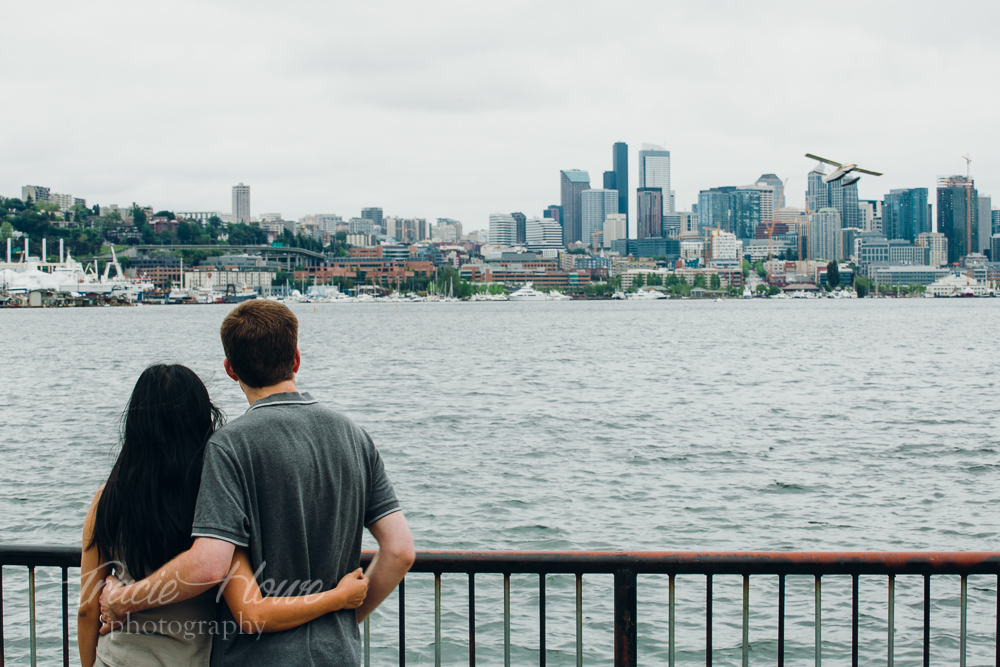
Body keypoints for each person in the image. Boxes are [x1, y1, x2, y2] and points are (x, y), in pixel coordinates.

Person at [99, 300, 415, 665]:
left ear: (231, 370)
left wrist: (122, 599)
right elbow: (400, 550)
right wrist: (338, 616)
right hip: (337, 654)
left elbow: (208, 565)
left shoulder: (230, 446)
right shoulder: (355, 436)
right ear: (296, 359)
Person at [78, 364, 370, 667]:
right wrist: (338, 598)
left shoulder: (107, 499)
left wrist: (117, 605)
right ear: (202, 420)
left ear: (136, 425)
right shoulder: (212, 505)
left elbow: (87, 610)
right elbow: (252, 611)